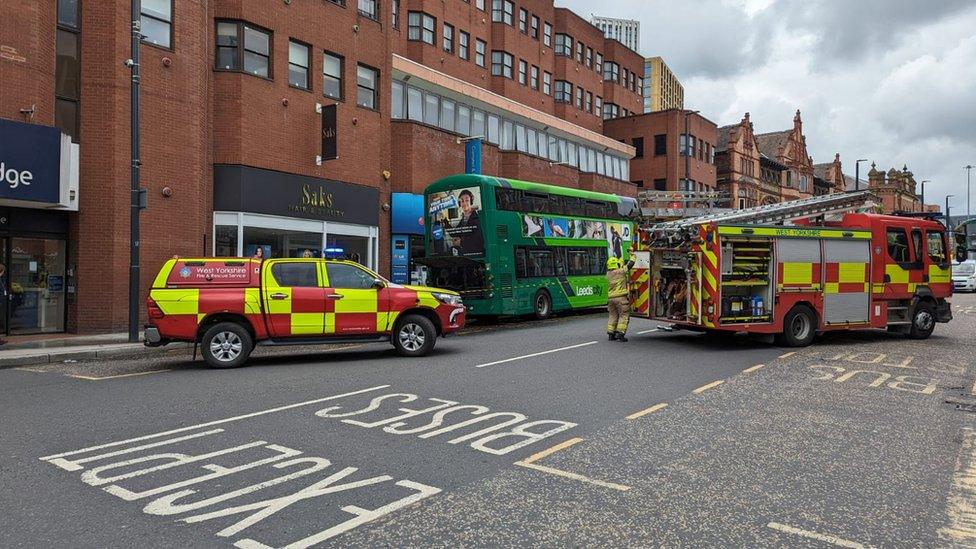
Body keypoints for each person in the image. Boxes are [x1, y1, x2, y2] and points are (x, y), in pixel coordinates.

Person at [606, 256, 635, 342]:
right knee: (624, 315)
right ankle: (620, 333)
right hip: (621, 298)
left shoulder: (608, 274)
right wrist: (633, 257)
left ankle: (611, 334)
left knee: (613, 315)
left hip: (611, 299)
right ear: (616, 264)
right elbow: (630, 265)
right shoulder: (620, 272)